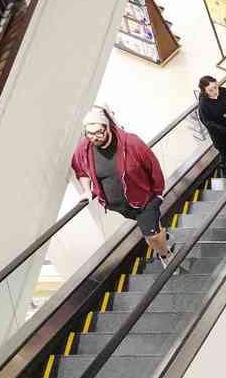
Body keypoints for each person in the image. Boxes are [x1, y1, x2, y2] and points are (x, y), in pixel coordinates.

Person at [71, 106, 177, 268]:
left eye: (98, 132)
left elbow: (152, 166)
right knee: (152, 230)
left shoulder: (130, 142)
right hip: (118, 205)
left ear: (107, 127)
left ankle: (166, 256)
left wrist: (158, 194)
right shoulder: (84, 148)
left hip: (144, 200)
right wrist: (86, 191)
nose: (94, 138)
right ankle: (160, 235)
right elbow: (80, 169)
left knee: (151, 236)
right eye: (89, 133)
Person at [197, 75, 226, 177]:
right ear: (204, 91)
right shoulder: (203, 105)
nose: (215, 91)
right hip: (220, 135)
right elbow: (208, 123)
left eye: (215, 87)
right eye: (210, 90)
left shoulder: (225, 92)